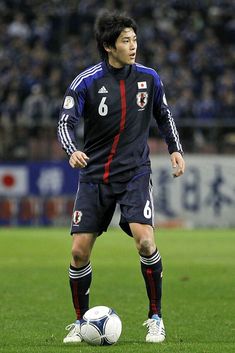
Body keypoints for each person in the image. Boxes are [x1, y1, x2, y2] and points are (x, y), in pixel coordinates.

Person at [58, 10, 185, 344]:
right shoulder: (86, 81)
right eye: (125, 41)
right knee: (78, 253)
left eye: (134, 39)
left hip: (134, 174)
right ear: (108, 46)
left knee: (145, 240)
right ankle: (79, 321)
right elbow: (65, 123)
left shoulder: (149, 77)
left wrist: (175, 149)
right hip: (95, 175)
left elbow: (164, 113)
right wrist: (72, 149)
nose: (133, 46)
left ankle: (155, 317)